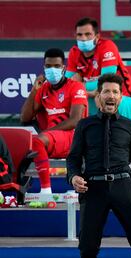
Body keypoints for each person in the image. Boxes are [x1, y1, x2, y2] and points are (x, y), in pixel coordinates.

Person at [66, 73, 131, 258]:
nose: (111, 95)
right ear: (98, 96)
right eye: (106, 91)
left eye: (115, 92)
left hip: (124, 186)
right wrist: (73, 177)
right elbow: (73, 158)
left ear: (120, 97)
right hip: (92, 188)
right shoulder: (84, 125)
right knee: (88, 248)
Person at [21, 48, 88, 193]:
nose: (52, 70)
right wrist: (34, 90)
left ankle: (46, 191)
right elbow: (25, 117)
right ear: (44, 68)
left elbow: (75, 120)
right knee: (20, 143)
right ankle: (11, 188)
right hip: (53, 140)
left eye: (56, 66)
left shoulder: (76, 87)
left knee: (37, 141)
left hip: (73, 136)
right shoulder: (44, 89)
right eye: (48, 66)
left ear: (63, 68)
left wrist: (46, 133)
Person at [66, 17, 131, 121]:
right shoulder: (74, 52)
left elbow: (106, 83)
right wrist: (88, 91)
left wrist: (79, 86)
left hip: (129, 102)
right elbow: (66, 86)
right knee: (67, 101)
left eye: (88, 34)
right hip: (95, 99)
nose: (83, 38)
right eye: (79, 35)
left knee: (101, 96)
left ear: (97, 36)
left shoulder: (107, 47)